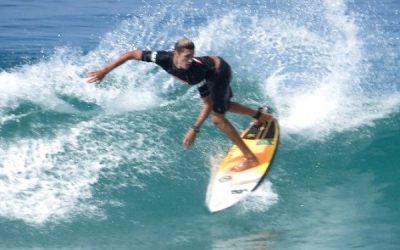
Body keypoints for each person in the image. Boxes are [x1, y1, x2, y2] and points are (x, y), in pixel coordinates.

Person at [87, 38, 273, 171]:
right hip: (212, 70)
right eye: (186, 57)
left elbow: (207, 103)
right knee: (224, 104)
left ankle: (250, 158)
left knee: (218, 118)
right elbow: (132, 54)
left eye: (192, 56)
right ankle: (263, 118)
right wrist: (105, 71)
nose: (189, 60)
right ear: (175, 54)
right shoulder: (162, 58)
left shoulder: (195, 71)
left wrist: (195, 129)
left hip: (219, 72)